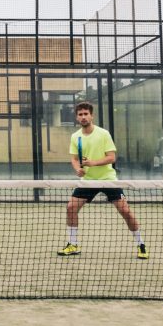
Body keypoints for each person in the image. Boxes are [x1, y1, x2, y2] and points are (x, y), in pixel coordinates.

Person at [58, 101, 148, 259]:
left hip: (108, 179)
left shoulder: (103, 134)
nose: (83, 117)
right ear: (77, 118)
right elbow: (73, 158)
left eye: (86, 114)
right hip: (88, 181)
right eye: (80, 114)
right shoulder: (75, 136)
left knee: (126, 212)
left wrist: (92, 163)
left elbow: (112, 157)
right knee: (71, 207)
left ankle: (141, 244)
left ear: (91, 115)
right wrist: (77, 169)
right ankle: (72, 244)